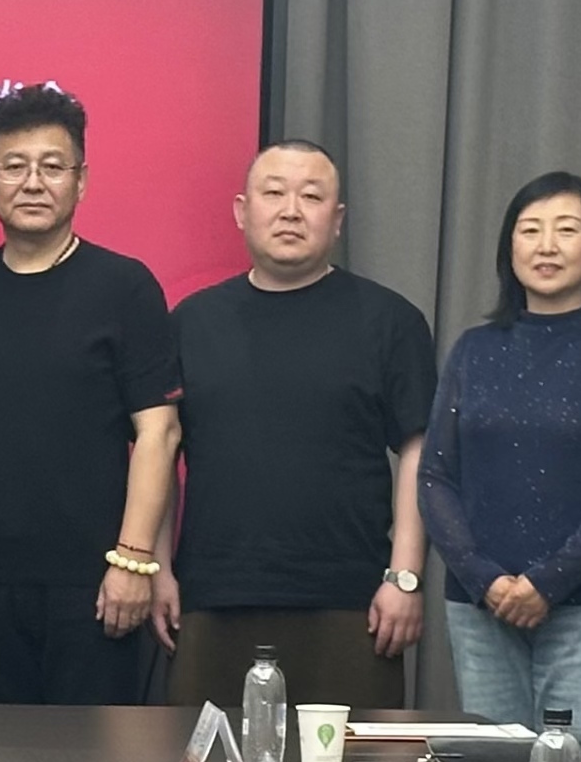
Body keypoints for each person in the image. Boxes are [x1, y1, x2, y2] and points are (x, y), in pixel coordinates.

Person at [158, 141, 434, 712]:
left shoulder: (390, 321)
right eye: (274, 193)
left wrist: (404, 576)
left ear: (337, 219)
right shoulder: (191, 322)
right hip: (212, 597)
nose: (290, 211)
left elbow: (418, 451)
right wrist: (158, 569)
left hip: (351, 602)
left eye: (311, 197)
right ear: (242, 211)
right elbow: (161, 451)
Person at [419, 171, 581, 762]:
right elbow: (435, 477)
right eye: (530, 230)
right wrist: (485, 579)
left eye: (567, 229)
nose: (547, 246)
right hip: (482, 609)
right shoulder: (473, 349)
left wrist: (548, 582)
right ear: (509, 247)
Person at [0, 86, 180, 705]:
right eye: (13, 166)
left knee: (89, 759)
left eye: (53, 166)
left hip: (95, 584)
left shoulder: (124, 287)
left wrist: (132, 561)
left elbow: (159, 432)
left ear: (81, 181)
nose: (33, 183)